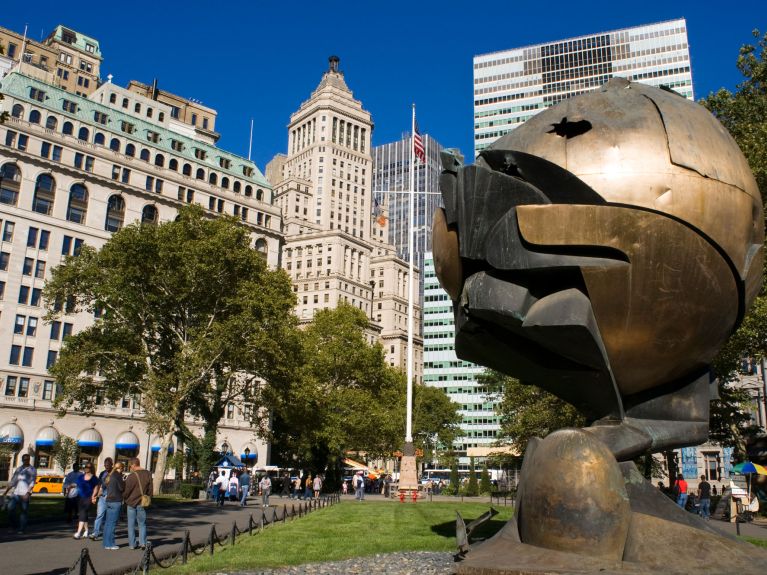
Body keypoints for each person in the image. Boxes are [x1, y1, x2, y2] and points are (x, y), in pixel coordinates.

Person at [2, 453, 36, 534]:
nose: (26, 460)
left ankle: (22, 529)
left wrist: (28, 493)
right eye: (24, 459)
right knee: (10, 509)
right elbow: (13, 481)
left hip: (25, 494)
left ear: (29, 460)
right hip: (16, 493)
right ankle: (14, 526)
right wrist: (6, 492)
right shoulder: (19, 469)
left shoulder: (32, 469)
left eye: (27, 459)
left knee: (23, 512)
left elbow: (32, 482)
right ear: (22, 460)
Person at [124, 457, 153, 550]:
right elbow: (150, 489)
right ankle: (143, 543)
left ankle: (132, 544)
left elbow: (126, 491)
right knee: (142, 523)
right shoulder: (148, 474)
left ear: (133, 465)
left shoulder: (131, 476)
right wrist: (148, 497)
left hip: (131, 503)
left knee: (131, 524)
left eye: (130, 466)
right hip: (142, 502)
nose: (130, 468)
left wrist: (124, 498)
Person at [73, 462, 100, 539]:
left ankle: (78, 533)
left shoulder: (94, 478)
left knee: (83, 513)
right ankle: (87, 530)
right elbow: (77, 484)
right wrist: (71, 485)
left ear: (91, 468)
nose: (87, 468)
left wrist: (93, 496)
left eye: (89, 467)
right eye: (86, 466)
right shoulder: (81, 477)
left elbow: (96, 487)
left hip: (88, 498)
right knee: (83, 514)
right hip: (80, 497)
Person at [103, 462, 126, 550]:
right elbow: (121, 488)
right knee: (112, 524)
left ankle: (106, 543)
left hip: (108, 500)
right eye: (122, 468)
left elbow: (104, 485)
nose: (123, 470)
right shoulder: (117, 476)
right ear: (120, 468)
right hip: (116, 500)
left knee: (108, 523)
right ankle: (111, 544)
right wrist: (123, 481)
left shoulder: (109, 475)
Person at [91, 457, 113, 540]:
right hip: (103, 497)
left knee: (110, 517)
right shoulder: (102, 473)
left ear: (112, 464)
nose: (106, 467)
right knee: (99, 515)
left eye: (108, 465)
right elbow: (98, 485)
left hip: (112, 497)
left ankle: (108, 533)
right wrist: (94, 495)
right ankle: (95, 533)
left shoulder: (115, 473)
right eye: (105, 465)